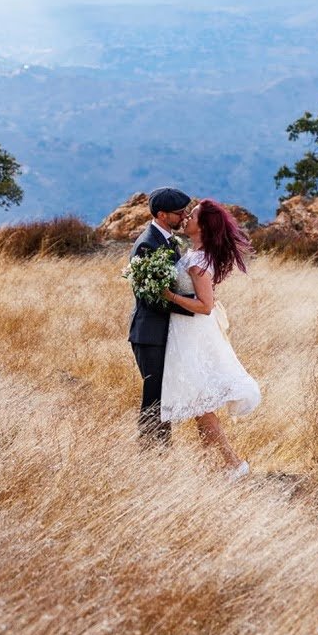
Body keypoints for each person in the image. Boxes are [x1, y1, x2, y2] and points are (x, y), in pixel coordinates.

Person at [161, 198, 261, 479]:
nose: (186, 218)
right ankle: (212, 468)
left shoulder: (198, 261)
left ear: (202, 226)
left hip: (193, 333)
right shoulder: (193, 254)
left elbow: (205, 305)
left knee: (202, 405)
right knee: (199, 405)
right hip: (187, 331)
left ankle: (234, 464)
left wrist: (170, 296)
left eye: (191, 215)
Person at [128, 186, 194, 445]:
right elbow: (152, 298)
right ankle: (150, 449)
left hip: (162, 332)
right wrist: (194, 307)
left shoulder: (166, 240)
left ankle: (161, 450)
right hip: (150, 334)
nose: (184, 216)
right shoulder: (147, 244)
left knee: (164, 395)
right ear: (162, 214)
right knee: (154, 395)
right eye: (179, 213)